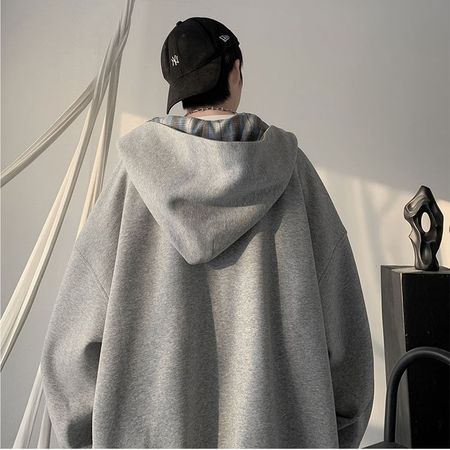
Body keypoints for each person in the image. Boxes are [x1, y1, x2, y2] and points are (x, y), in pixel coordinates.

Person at [40, 16, 374, 449]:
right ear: (236, 70)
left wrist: (93, 441)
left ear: (179, 93)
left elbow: (69, 353)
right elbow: (348, 344)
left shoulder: (131, 183)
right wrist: (328, 436)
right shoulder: (293, 175)